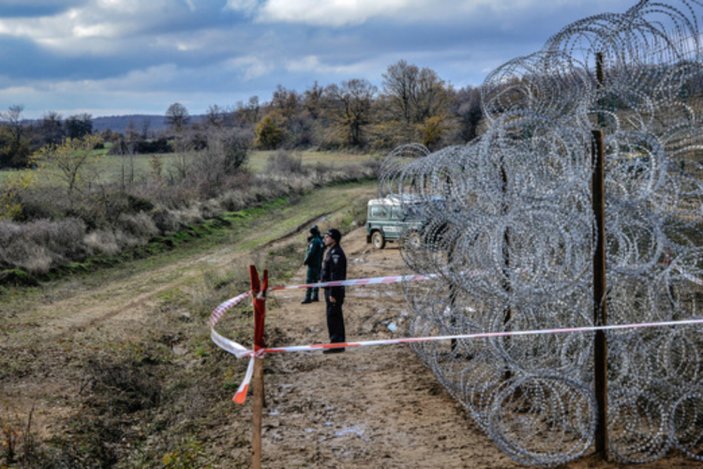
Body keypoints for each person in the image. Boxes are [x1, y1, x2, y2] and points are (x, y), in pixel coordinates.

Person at [320, 228, 347, 353]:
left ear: (334, 239)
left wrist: (332, 293)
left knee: (334, 317)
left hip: (334, 291)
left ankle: (337, 344)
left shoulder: (336, 253)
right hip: (330, 289)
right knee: (333, 317)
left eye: (327, 237)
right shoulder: (330, 251)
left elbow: (336, 276)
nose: (325, 239)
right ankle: (336, 343)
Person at [302, 225, 324, 304]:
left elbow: (311, 252)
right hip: (318, 263)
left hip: (313, 264)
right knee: (316, 280)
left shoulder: (314, 241)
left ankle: (308, 298)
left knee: (309, 280)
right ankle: (315, 296)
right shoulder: (321, 241)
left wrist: (306, 261)